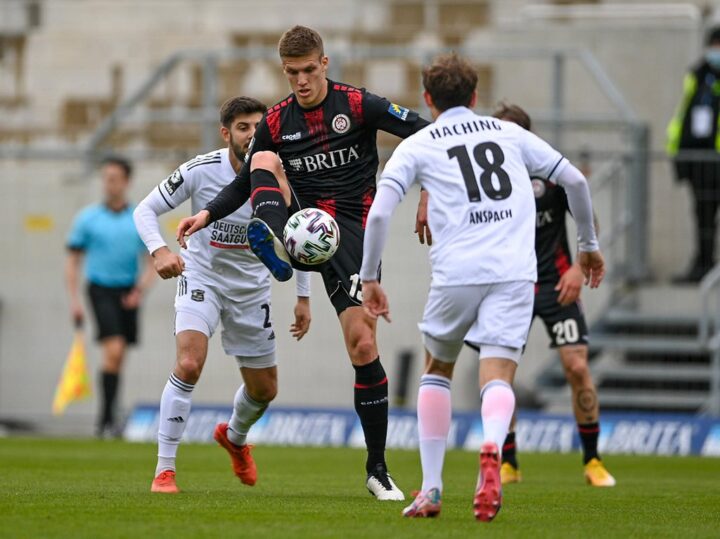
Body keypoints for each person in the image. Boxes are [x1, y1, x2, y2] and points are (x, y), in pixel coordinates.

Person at [176, 25, 430, 500]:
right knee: (263, 162)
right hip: (302, 224)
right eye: (292, 73)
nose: (302, 81)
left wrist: (428, 194)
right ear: (284, 71)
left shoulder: (358, 105)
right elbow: (242, 184)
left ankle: (377, 470)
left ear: (324, 64)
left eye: (309, 71)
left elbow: (424, 134)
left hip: (351, 234)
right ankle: (273, 237)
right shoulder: (275, 119)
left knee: (361, 344)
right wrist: (206, 214)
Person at [360, 54, 604, 521]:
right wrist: (588, 245)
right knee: (498, 374)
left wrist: (370, 277)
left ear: (429, 100)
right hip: (515, 272)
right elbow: (573, 178)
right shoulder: (508, 133)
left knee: (437, 371)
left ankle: (431, 489)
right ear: (475, 97)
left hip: (457, 273)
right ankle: (492, 448)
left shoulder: (421, 143)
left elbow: (380, 213)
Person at [415, 102, 615, 488]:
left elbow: (588, 218)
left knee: (576, 366)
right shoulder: (476, 181)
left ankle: (592, 460)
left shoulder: (550, 177)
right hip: (505, 286)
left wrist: (577, 267)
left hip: (557, 285)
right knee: (499, 373)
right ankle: (507, 460)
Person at [133, 96, 312, 494]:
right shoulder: (200, 170)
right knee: (189, 363)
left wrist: (304, 297)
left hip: (252, 291)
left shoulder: (280, 174)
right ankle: (165, 471)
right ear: (226, 132)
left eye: (258, 127)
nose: (252, 135)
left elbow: (301, 235)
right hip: (202, 278)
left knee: (265, 390)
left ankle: (234, 437)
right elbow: (144, 210)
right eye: (244, 127)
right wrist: (160, 251)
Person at [65, 156, 155, 438]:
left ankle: (111, 415)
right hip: (99, 289)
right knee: (113, 350)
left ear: (126, 182)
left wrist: (139, 290)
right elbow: (73, 261)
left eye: (115, 179)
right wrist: (74, 300)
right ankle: (104, 420)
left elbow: (153, 260)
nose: (109, 184)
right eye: (106, 178)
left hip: (128, 291)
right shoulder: (88, 218)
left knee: (118, 357)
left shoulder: (139, 218)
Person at [667, 26, 720, 283]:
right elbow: (683, 118)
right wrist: (680, 157)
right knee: (703, 216)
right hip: (701, 162)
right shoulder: (698, 76)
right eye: (714, 45)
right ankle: (703, 265)